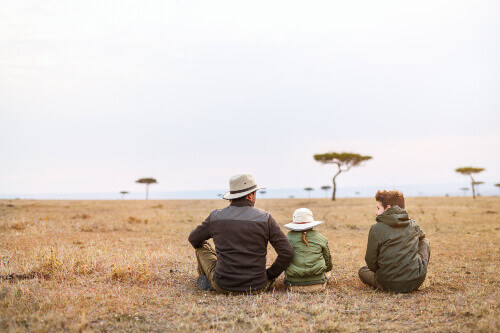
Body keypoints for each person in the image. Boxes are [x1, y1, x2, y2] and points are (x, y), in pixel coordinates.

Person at [188, 174, 293, 293]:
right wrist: (269, 275)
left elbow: (194, 239)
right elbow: (287, 253)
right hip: (258, 287)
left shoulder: (216, 216)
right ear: (250, 195)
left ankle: (207, 280)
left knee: (202, 248)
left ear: (232, 196)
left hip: (223, 285)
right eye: (255, 193)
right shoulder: (265, 218)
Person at [359, 190, 431, 293]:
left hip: (387, 284)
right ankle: (416, 274)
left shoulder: (376, 228)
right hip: (415, 281)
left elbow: (371, 262)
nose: (376, 213)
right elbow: (422, 239)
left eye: (378, 208)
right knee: (424, 241)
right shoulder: (413, 224)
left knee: (363, 271)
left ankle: (386, 281)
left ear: (388, 208)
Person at [283, 208, 332, 292]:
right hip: (318, 285)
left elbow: (282, 260)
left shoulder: (287, 238)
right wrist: (327, 270)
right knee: (328, 273)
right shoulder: (321, 238)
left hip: (293, 286)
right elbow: (328, 262)